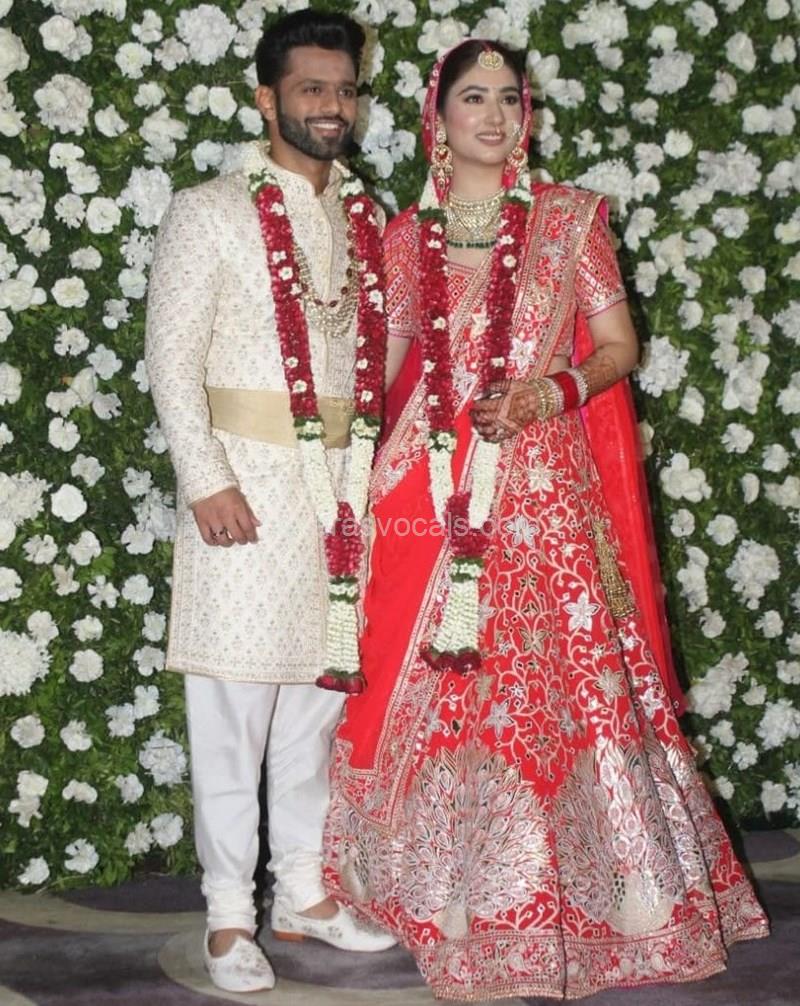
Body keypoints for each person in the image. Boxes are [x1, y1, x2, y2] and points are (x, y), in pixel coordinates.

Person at [323, 39, 768, 1001]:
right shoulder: (405, 237)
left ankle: (592, 899)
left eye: (508, 98)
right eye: (472, 98)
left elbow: (619, 346)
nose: (492, 114)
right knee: (434, 681)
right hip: (429, 491)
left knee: (552, 686)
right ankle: (438, 897)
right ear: (438, 120)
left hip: (545, 489)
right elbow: (387, 367)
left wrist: (548, 391)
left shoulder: (570, 221)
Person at [145, 10, 394, 995]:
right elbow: (171, 360)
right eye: (311, 88)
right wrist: (204, 479)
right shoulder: (208, 211)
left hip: (339, 496)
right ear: (266, 98)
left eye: (344, 90)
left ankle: (302, 892)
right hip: (242, 490)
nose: (332, 106)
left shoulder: (363, 219)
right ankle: (224, 918)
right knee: (231, 716)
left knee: (314, 714)